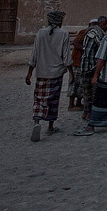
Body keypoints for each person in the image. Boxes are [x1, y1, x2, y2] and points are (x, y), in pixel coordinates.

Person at [25, 11, 72, 142]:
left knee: (39, 99)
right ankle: (50, 126)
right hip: (56, 73)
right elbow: (67, 56)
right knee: (53, 100)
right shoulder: (64, 34)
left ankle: (37, 122)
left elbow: (34, 54)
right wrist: (71, 73)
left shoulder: (41, 33)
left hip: (41, 72)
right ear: (60, 21)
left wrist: (29, 73)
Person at [79, 16, 107, 122]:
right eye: (105, 24)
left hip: (90, 67)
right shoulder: (93, 35)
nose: (106, 27)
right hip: (89, 67)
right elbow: (88, 53)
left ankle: (87, 113)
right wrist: (95, 69)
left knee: (88, 92)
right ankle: (89, 114)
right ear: (100, 24)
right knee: (91, 92)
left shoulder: (99, 34)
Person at [67, 25, 85, 111]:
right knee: (74, 84)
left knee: (81, 84)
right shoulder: (84, 32)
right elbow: (75, 42)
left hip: (83, 63)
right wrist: (85, 49)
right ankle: (71, 104)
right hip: (77, 61)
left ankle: (78, 102)